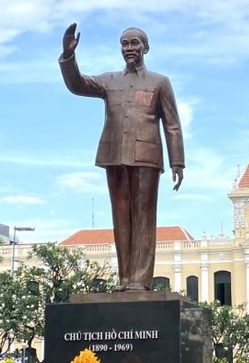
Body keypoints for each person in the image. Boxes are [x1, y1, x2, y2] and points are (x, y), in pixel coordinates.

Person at [59, 23, 185, 292]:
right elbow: (77, 84)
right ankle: (125, 279)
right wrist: (69, 56)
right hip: (114, 155)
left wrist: (177, 161)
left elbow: (172, 124)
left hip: (147, 157)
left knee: (143, 218)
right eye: (124, 44)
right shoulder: (109, 80)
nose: (129, 48)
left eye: (134, 43)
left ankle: (141, 280)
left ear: (146, 48)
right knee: (121, 219)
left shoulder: (160, 82)